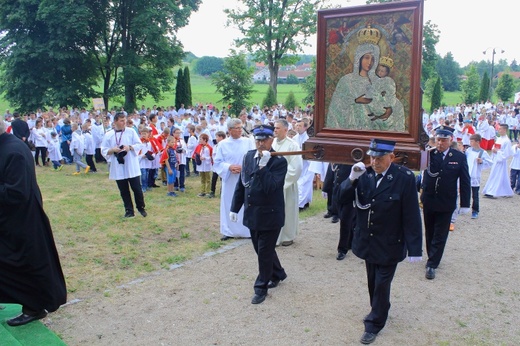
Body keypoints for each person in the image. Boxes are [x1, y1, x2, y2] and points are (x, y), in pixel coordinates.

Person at [338, 139, 422, 344]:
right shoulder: (363, 174)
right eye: (372, 157)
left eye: (380, 158)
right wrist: (351, 179)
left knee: (382, 283)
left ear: (391, 157)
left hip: (390, 241)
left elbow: (411, 214)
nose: (374, 161)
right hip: (367, 240)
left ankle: (374, 323)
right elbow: (340, 198)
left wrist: (415, 248)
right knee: (373, 281)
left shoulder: (404, 178)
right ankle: (380, 307)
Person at [0, 119, 67, 326]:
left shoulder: (14, 151)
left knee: (26, 265)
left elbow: (16, 192)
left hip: (21, 221)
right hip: (8, 220)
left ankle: (34, 307)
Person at [230, 125, 288, 305]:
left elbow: (271, 187)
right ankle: (278, 273)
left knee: (263, 252)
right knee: (261, 249)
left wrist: (263, 168)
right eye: (258, 140)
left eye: (264, 140)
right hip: (252, 214)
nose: (261, 143)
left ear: (272, 140)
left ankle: (261, 287)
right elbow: (242, 184)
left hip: (270, 216)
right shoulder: (248, 156)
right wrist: (234, 208)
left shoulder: (279, 162)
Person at [420, 126, 471, 280]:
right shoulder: (429, 154)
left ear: (451, 140)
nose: (440, 143)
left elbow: (465, 181)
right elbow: (419, 168)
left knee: (440, 234)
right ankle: (432, 256)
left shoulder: (459, 157)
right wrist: (424, 153)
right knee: (429, 231)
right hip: (429, 200)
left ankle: (432, 263)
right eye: (438, 139)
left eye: (444, 140)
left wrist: (465, 203)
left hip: (446, 202)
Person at [213, 118, 255, 241]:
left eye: (241, 128)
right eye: (237, 128)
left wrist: (244, 167)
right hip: (230, 178)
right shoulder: (222, 144)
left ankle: (247, 230)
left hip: (244, 177)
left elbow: (254, 158)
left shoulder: (248, 142)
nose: (240, 130)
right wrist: (229, 167)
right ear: (230, 130)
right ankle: (228, 230)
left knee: (245, 202)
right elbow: (217, 163)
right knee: (229, 203)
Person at [101, 112, 147, 218]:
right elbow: (103, 150)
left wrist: (129, 147)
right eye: (121, 121)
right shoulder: (108, 135)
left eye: (125, 120)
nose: (124, 122)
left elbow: (139, 144)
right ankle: (129, 210)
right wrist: (112, 150)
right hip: (118, 166)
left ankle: (141, 207)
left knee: (137, 188)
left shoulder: (131, 132)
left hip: (131, 164)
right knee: (124, 190)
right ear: (116, 121)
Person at [272, 119, 302, 246]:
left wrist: (281, 180)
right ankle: (274, 236)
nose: (275, 130)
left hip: (286, 184)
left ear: (285, 129)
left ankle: (287, 236)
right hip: (272, 183)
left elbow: (296, 167)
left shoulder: (292, 145)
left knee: (288, 209)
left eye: (278, 128)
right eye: (274, 128)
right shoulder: (272, 142)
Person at [482, 124, 514, 198]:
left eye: (500, 129)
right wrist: (493, 150)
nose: (498, 130)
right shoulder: (499, 139)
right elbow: (495, 146)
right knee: (495, 175)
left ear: (504, 130)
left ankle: (492, 191)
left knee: (498, 175)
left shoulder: (507, 141)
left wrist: (498, 152)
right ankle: (501, 190)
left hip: (501, 161)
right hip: (496, 159)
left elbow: (507, 153)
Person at [466, 134, 492, 218]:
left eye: (472, 141)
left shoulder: (482, 152)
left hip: (475, 175)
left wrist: (481, 161)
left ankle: (475, 210)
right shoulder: (468, 150)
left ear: (477, 142)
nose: (470, 143)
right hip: (467, 174)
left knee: (475, 195)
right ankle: (464, 208)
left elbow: (489, 162)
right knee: (465, 193)